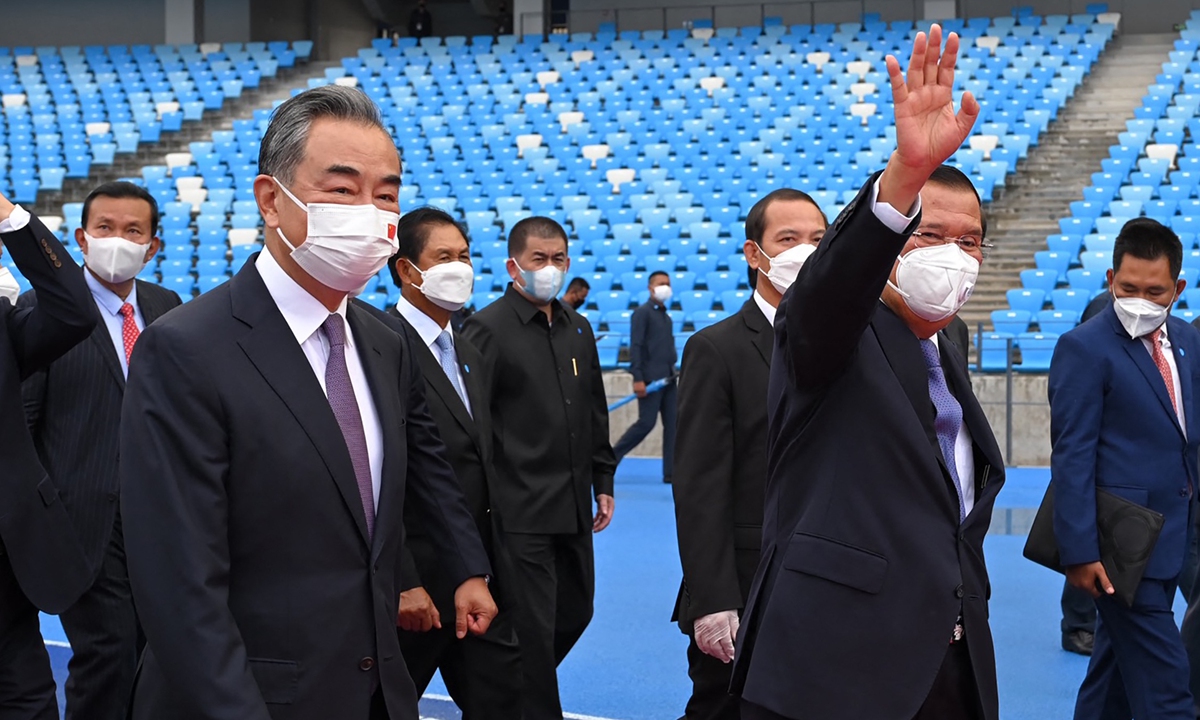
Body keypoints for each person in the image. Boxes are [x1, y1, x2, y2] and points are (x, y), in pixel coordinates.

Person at [118, 85, 497, 720]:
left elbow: (421, 472)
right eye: (343, 190)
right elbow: (180, 589)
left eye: (386, 195)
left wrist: (465, 567)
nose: (371, 213)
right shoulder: (184, 350)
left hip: (375, 689)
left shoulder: (384, 341)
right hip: (252, 698)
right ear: (272, 199)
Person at [732, 26, 1007, 720]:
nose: (954, 256)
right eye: (930, 235)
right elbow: (828, 292)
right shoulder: (832, 330)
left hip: (947, 662)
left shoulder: (951, 344)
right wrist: (904, 179)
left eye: (969, 241)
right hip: (837, 669)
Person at [353, 206, 522, 719]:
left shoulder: (469, 347)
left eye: (465, 256)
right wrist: (404, 578)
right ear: (407, 270)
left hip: (479, 575)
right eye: (443, 257)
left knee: (503, 701)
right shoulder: (377, 345)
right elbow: (379, 473)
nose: (460, 267)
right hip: (416, 585)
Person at [20, 181, 180, 720]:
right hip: (81, 518)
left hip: (159, 517)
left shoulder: (168, 307)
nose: (118, 240)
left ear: (154, 246)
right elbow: (24, 421)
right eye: (104, 228)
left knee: (154, 656)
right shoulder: (41, 309)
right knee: (107, 655)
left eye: (133, 231)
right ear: (81, 239)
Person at [672, 188, 826, 720]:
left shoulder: (854, 343)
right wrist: (713, 599)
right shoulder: (716, 349)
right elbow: (699, 486)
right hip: (746, 587)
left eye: (817, 240)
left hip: (829, 583)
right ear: (753, 254)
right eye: (788, 239)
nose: (804, 251)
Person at [460, 216, 617, 720]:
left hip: (572, 505)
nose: (549, 269)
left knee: (575, 612)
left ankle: (495, 693)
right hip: (519, 508)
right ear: (513, 266)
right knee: (530, 632)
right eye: (538, 260)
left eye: (558, 260)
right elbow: (478, 425)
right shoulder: (486, 329)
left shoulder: (579, 327)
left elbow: (593, 408)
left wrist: (603, 478)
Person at [1051, 217, 1200, 720]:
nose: (1139, 299)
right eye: (1128, 286)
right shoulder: (1084, 348)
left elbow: (1187, 439)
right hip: (1118, 549)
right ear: (1111, 279)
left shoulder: (1188, 342)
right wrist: (1078, 551)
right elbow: (1071, 453)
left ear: (1177, 288)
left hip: (1173, 538)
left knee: (1110, 682)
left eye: (1154, 290)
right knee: (1168, 690)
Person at [0, 189, 97, 719]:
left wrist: (8, 218)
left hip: (7, 562)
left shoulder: (3, 324)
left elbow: (73, 311)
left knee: (28, 699)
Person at [612, 270, 677, 484]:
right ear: (650, 288)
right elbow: (637, 346)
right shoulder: (642, 313)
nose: (665, 287)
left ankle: (671, 472)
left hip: (668, 379)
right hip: (650, 380)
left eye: (667, 283)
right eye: (661, 283)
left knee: (673, 425)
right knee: (646, 423)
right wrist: (637, 377)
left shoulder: (665, 316)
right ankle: (611, 458)